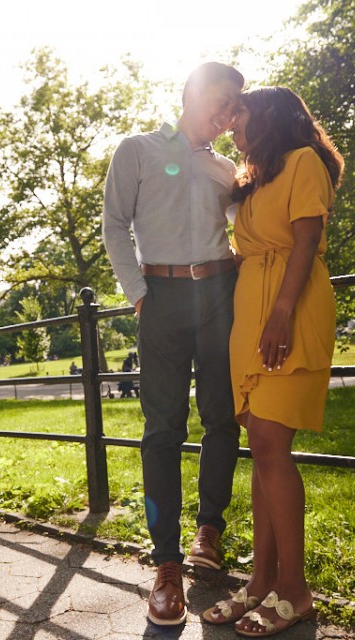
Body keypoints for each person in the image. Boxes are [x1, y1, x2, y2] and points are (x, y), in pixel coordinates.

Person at [102, 61, 245, 626]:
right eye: (224, 99)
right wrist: (139, 294)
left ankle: (209, 530)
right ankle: (165, 565)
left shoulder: (228, 168)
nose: (230, 113)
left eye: (236, 105)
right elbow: (115, 224)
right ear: (193, 93)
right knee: (162, 429)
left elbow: (247, 226)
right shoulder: (135, 149)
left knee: (221, 417)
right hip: (159, 298)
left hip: (219, 297)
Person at [201, 87, 343, 637]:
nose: (233, 124)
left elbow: (306, 242)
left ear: (270, 118)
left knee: (270, 445)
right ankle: (260, 583)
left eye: (240, 115)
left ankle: (295, 590)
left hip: (292, 304)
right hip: (249, 310)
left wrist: (282, 312)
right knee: (261, 446)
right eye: (229, 117)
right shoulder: (254, 178)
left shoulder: (305, 162)